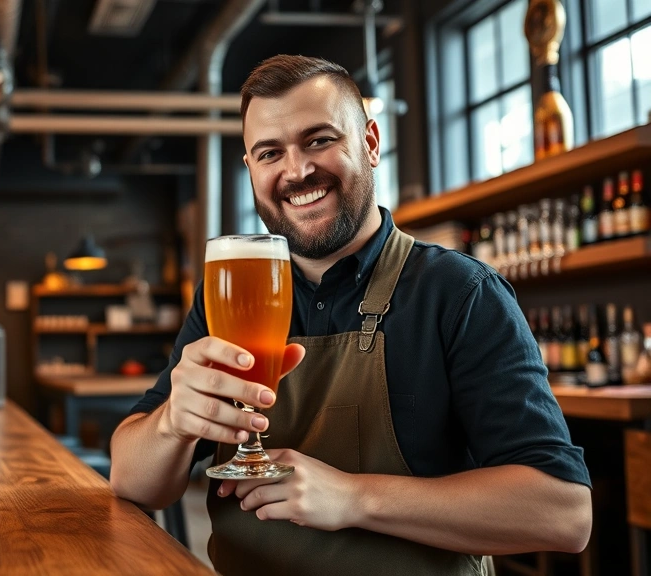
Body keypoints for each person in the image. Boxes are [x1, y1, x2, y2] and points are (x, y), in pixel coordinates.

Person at [108, 55, 592, 575]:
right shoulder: (226, 298)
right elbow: (135, 482)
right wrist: (173, 426)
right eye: (270, 153)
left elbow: (562, 514)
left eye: (319, 140)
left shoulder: (459, 292)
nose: (296, 171)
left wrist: (353, 498)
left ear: (371, 143)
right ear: (251, 169)